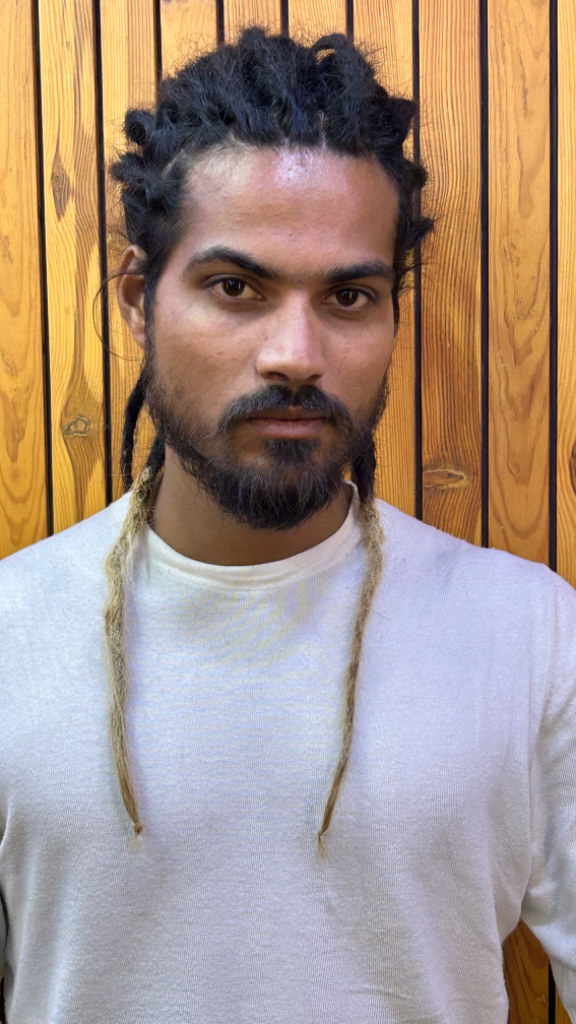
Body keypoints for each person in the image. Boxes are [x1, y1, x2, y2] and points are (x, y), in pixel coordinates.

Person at [0, 26, 574, 1024]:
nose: (296, 354)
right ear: (139, 298)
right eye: (237, 288)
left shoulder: (529, 637)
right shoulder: (11, 633)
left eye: (349, 296)